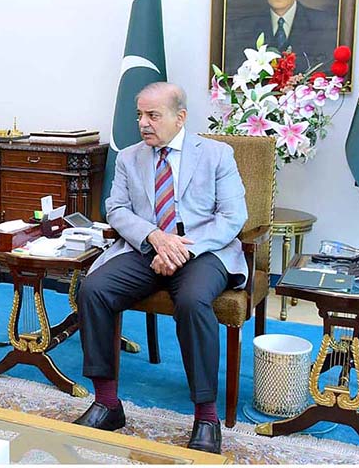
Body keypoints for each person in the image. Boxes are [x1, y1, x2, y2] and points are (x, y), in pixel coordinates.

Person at [73, 82, 247, 454]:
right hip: (147, 247)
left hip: (203, 249)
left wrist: (181, 248)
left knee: (193, 301)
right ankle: (107, 403)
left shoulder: (217, 154)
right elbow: (116, 209)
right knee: (94, 289)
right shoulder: (129, 157)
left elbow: (233, 217)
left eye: (153, 115)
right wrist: (154, 237)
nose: (143, 123)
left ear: (180, 117)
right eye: (140, 115)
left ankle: (206, 417)